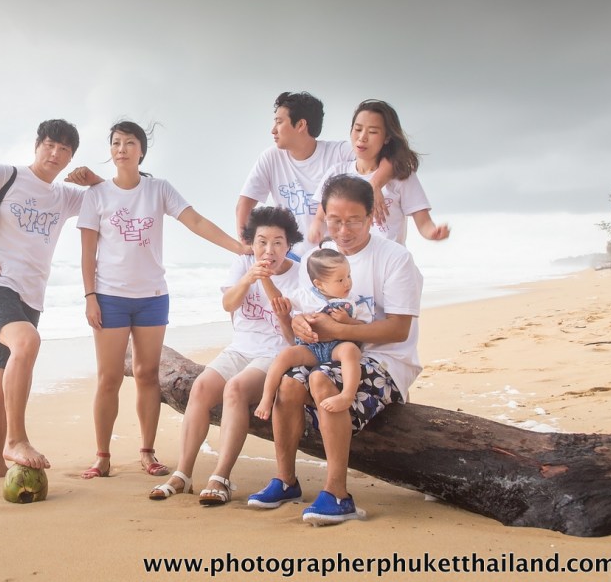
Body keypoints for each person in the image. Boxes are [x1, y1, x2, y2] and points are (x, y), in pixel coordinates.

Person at [78, 122, 251, 481]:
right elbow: (87, 252)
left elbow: (196, 222)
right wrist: (90, 297)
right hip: (109, 296)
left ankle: (147, 452)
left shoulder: (158, 189)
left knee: (146, 374)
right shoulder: (96, 194)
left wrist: (239, 248)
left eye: (129, 142)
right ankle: (102, 456)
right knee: (109, 376)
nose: (121, 148)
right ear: (110, 150)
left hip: (153, 297)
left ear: (141, 150)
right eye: (115, 143)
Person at [247, 174, 423, 525]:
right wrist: (298, 323)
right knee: (289, 383)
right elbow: (306, 312)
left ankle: (338, 494)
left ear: (371, 217)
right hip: (326, 350)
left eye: (354, 220)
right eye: (334, 220)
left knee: (321, 379)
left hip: (385, 358)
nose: (343, 230)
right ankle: (286, 481)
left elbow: (400, 328)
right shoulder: (316, 258)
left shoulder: (395, 258)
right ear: (323, 217)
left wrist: (340, 328)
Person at [0, 119, 100, 477]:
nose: (55, 155)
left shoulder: (65, 196)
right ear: (37, 145)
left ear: (71, 157)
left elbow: (114, 200)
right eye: (49, 145)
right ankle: (16, 439)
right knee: (27, 341)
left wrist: (95, 180)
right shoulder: (6, 175)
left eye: (64, 150)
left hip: (29, 295)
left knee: (0, 376)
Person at [148, 206, 303, 502]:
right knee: (202, 387)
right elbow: (228, 304)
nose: (268, 250)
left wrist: (267, 280)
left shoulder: (299, 275)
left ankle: (221, 478)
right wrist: (248, 278)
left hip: (275, 353)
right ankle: (183, 474)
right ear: (251, 242)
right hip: (240, 348)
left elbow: (291, 336)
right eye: (261, 242)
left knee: (235, 389)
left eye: (277, 243)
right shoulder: (243, 263)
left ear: (289, 245)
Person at [236, 92, 393, 259]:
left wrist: (375, 184)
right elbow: (244, 205)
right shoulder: (271, 157)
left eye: (279, 122)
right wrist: (247, 246)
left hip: (332, 259)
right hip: (290, 257)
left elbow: (393, 157)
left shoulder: (339, 153)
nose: (273, 130)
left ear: (301, 125)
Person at [307, 99, 450, 246]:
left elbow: (424, 222)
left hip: (388, 262)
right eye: (358, 129)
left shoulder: (401, 176)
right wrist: (316, 227)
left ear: (387, 137)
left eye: (373, 132)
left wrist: (433, 233)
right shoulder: (337, 172)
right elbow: (321, 217)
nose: (362, 137)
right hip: (347, 262)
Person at [253, 248, 373, 423]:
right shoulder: (305, 296)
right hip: (311, 348)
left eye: (348, 276)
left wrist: (347, 321)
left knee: (351, 351)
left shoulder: (354, 302)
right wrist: (265, 279)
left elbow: (364, 328)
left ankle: (347, 395)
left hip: (337, 348)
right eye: (340, 279)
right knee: (285, 355)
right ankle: (266, 397)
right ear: (319, 284)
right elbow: (279, 301)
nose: (347, 283)